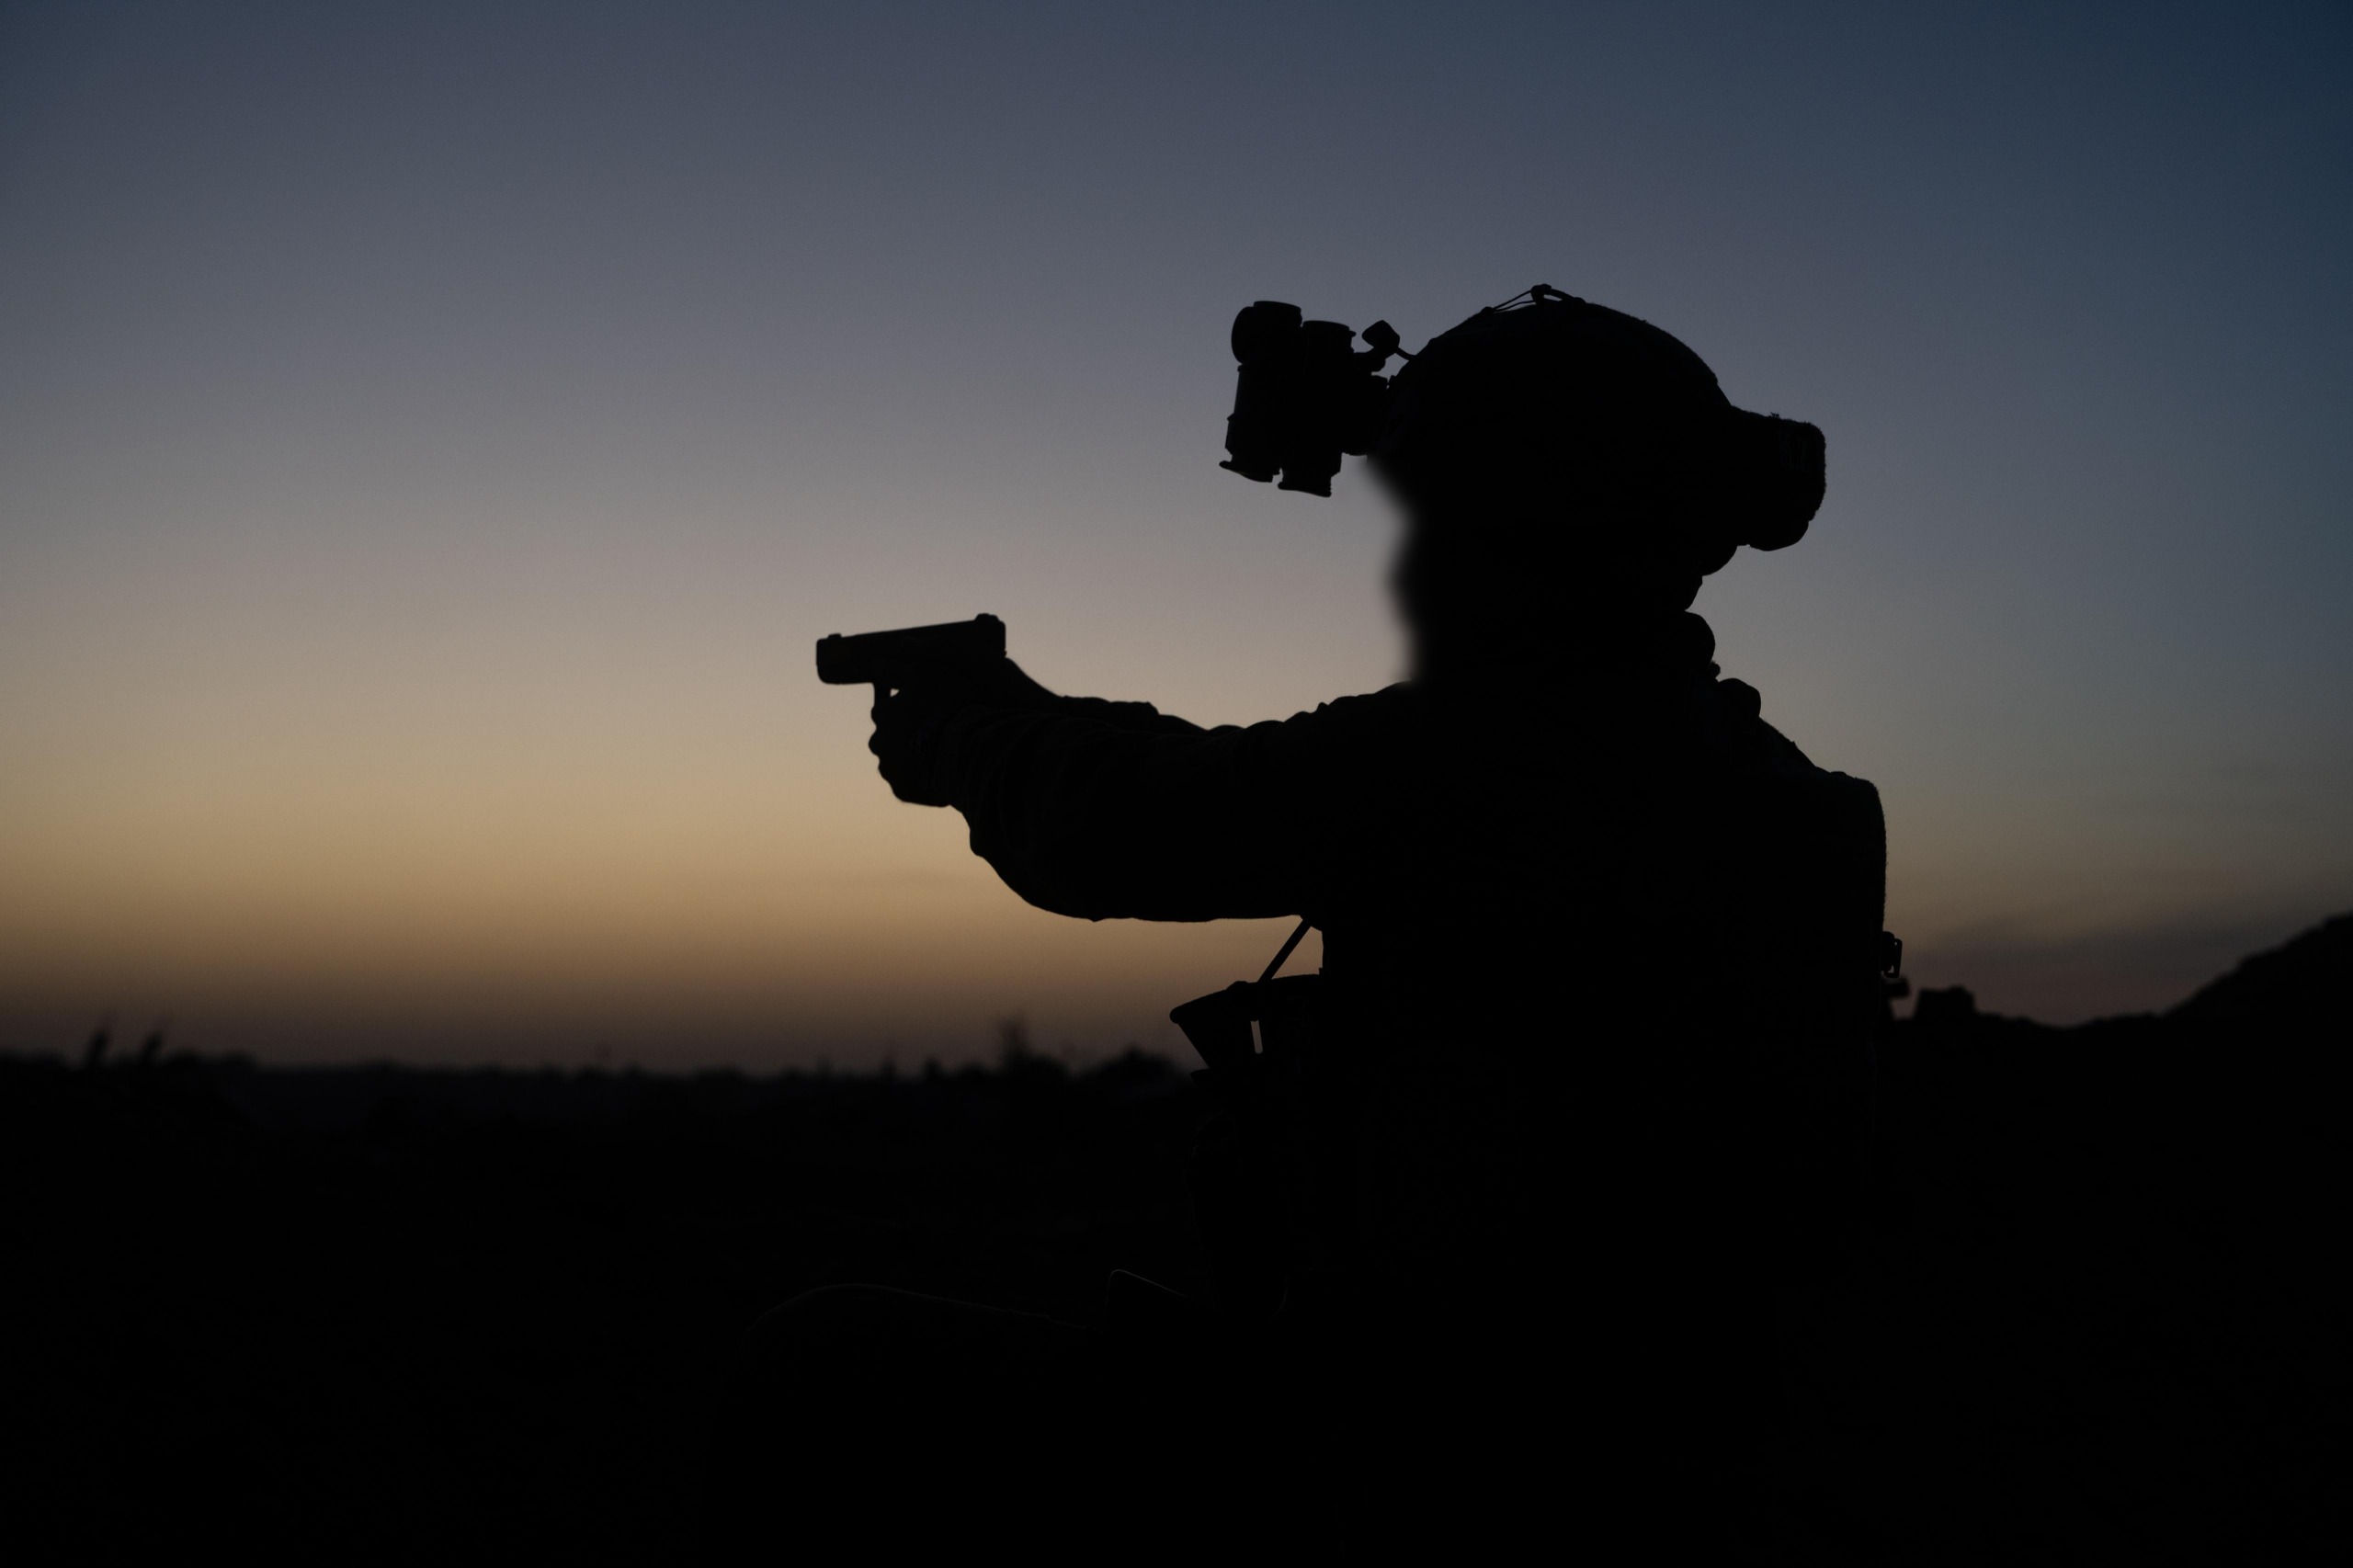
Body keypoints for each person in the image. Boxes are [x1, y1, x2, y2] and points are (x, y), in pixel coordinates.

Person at [721, 290, 1887, 1552]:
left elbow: (1134, 821)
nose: (1410, 567)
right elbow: (1237, 776)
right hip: (1652, 1430)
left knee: (820, 1362)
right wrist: (1019, 707)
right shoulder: (1758, 778)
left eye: (1438, 519)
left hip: (1438, 1460)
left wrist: (962, 739)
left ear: (1526, 531)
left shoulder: (1490, 754)